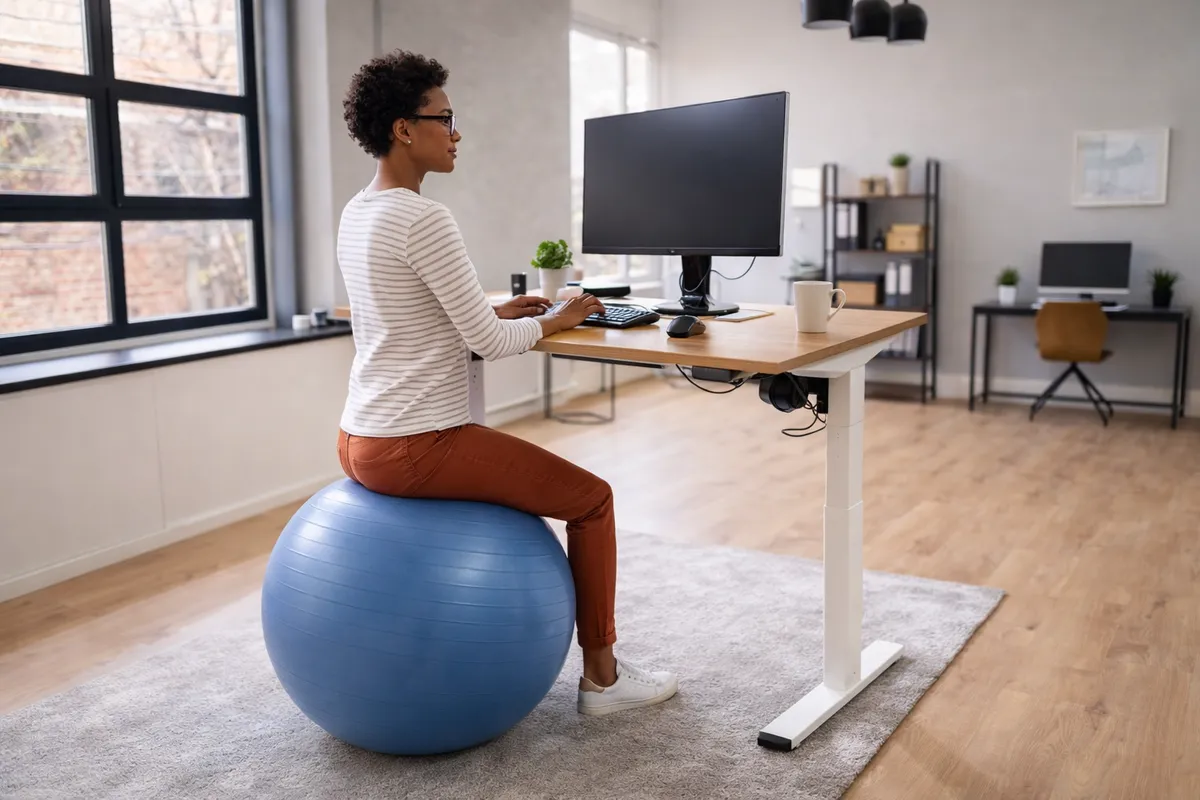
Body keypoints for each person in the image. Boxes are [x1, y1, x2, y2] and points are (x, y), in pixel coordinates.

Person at [334, 50, 678, 717]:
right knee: (594, 500)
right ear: (405, 129)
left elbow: (406, 312)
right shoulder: (424, 217)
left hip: (358, 438)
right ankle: (603, 680)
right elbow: (489, 348)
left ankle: (601, 672)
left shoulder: (361, 211)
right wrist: (562, 317)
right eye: (446, 118)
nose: (456, 133)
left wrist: (494, 308)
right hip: (416, 443)